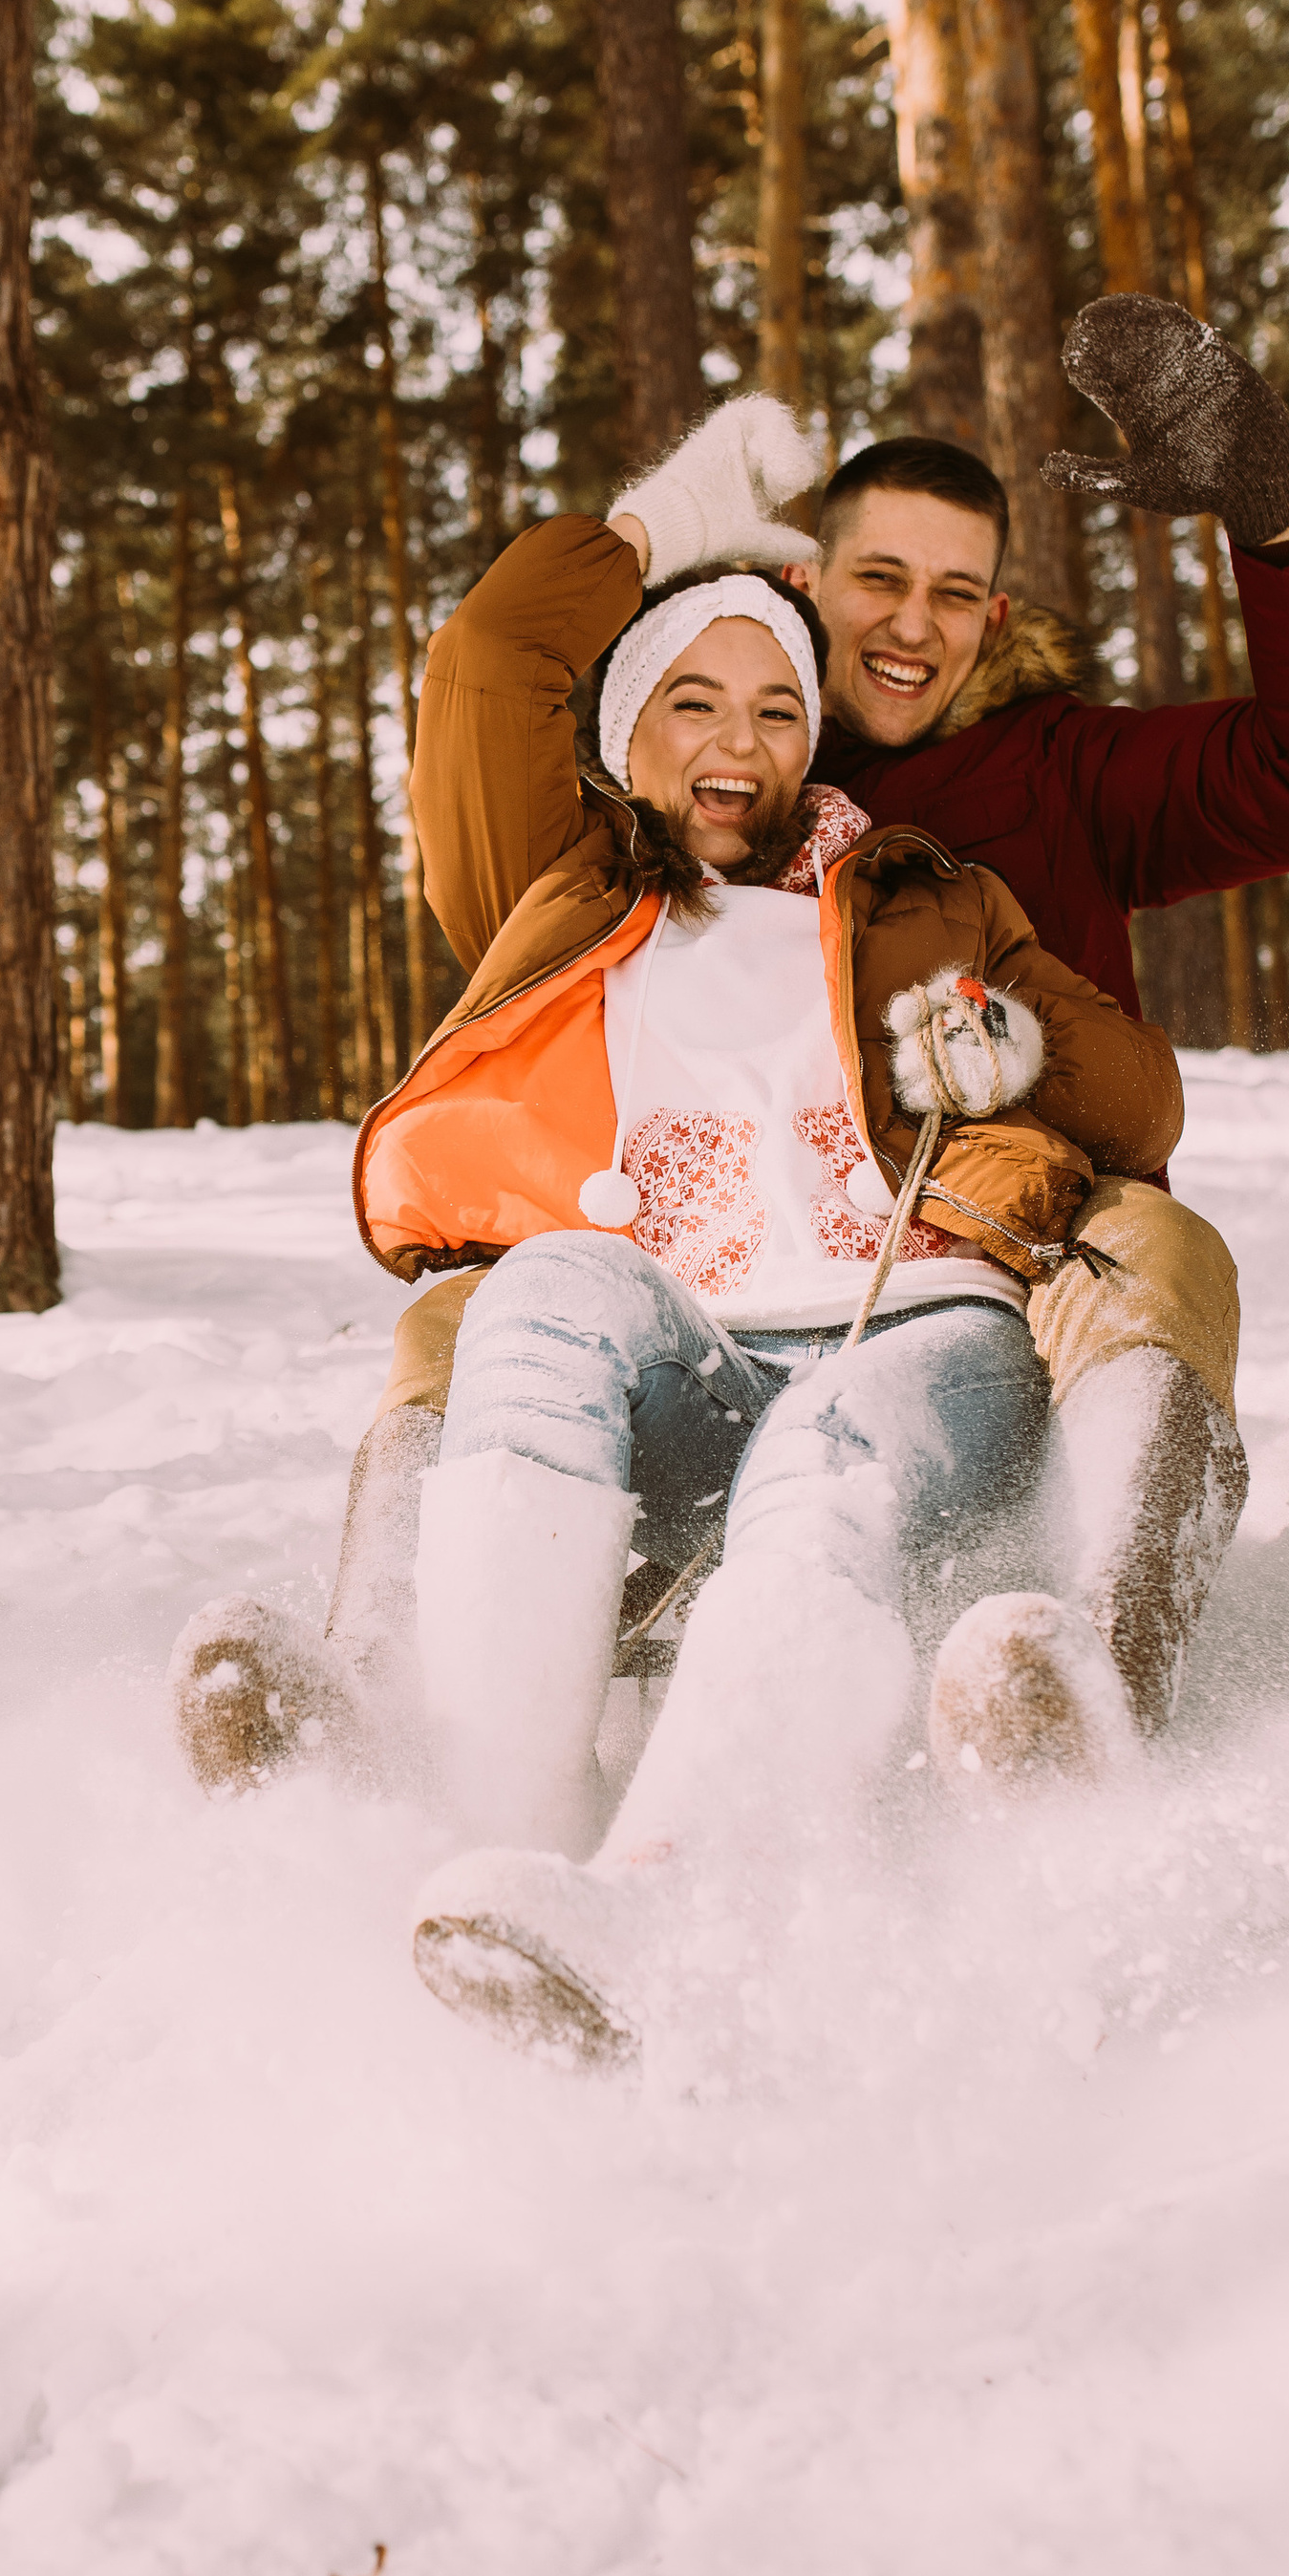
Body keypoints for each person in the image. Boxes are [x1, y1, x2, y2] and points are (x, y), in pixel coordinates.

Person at [171, 296, 1289, 1789]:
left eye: (957, 595)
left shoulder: (1045, 785)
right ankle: (385, 1684)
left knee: (1154, 1244)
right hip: (685, 1269)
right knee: (482, 1307)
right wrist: (658, 523)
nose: (913, 622)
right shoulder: (659, 822)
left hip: (980, 1240)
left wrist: (1278, 520)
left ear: (998, 621)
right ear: (799, 588)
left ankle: (1087, 1680)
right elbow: (492, 679)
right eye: (878, 579)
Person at [348, 548, 1178, 2062]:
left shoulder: (932, 899)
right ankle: (502, 1850)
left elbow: (1143, 1101)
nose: (742, 743)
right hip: (690, 1360)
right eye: (696, 701)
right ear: (626, 736)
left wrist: (1007, 1048)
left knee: (827, 1448)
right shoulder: (572, 902)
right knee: (540, 1298)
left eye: (780, 709)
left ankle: (677, 1901)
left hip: (913, 1332)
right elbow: (486, 652)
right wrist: (659, 533)